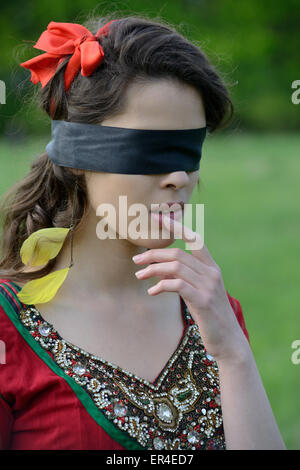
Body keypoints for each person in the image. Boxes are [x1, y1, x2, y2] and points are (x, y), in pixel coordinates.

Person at [0, 14, 285, 450]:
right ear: (78, 154)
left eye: (188, 151)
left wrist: (232, 353)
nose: (178, 177)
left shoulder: (215, 313)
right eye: (150, 150)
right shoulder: (7, 330)